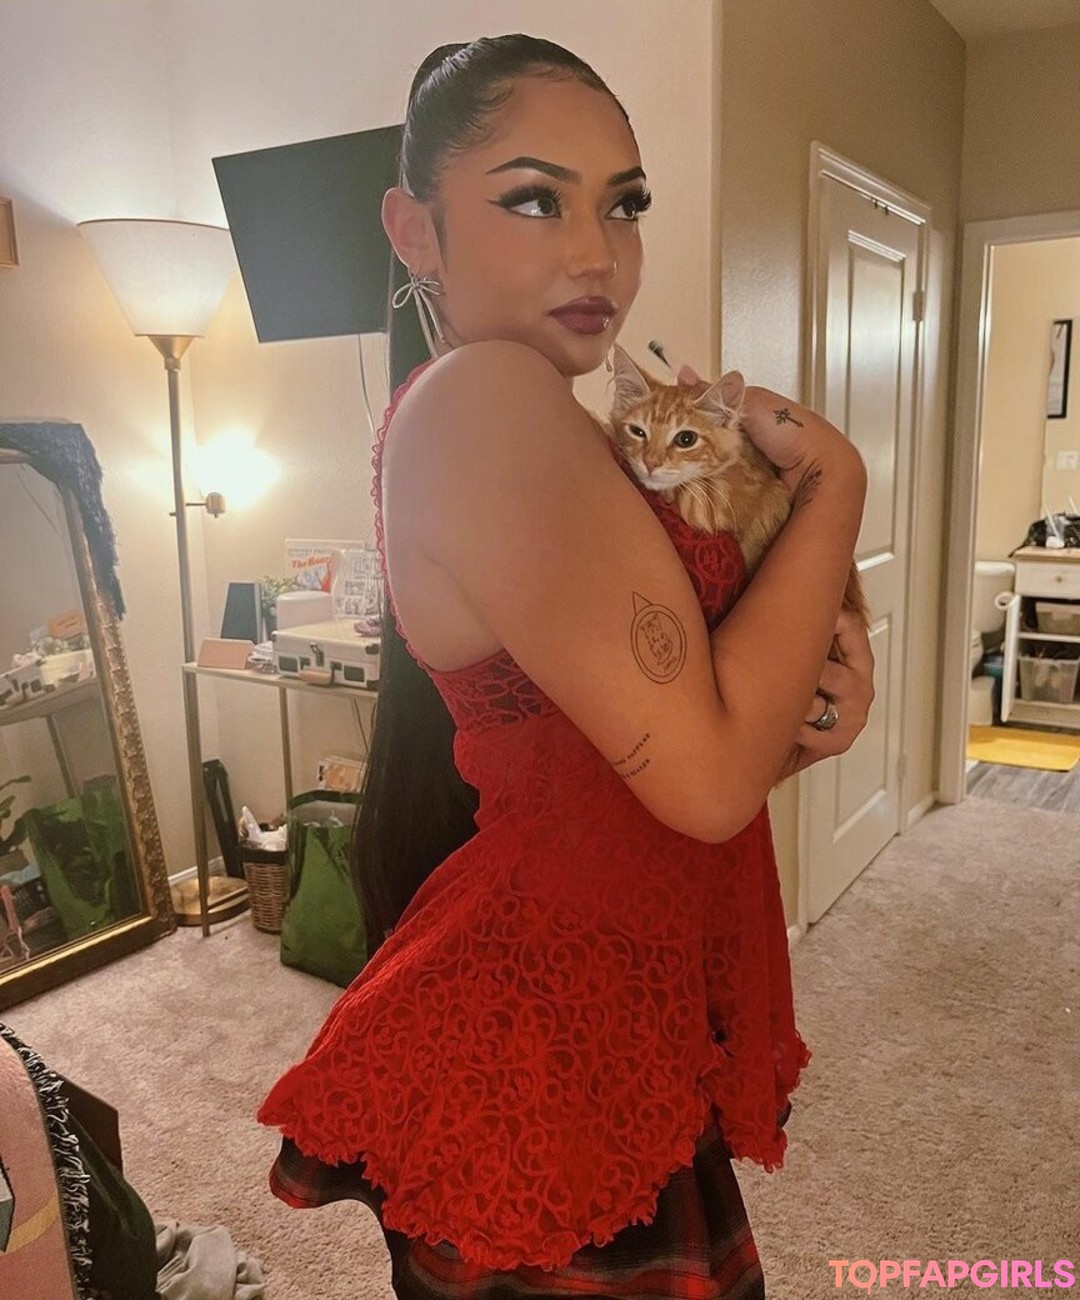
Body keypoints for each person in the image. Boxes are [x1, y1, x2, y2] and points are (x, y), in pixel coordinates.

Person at [258, 34, 873, 1299]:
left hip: (609, 1006)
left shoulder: (559, 419)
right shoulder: (487, 399)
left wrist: (786, 729)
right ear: (415, 231)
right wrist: (837, 482)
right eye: (536, 199)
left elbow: (647, 770)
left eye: (624, 204)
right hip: (547, 1045)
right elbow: (704, 778)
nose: (600, 253)